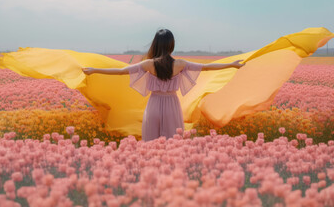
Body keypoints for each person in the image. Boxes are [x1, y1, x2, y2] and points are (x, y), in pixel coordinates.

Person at [82, 29, 245, 141]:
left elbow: (121, 71)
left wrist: (93, 70)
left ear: (155, 44)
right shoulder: (180, 64)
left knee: (152, 141)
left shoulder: (148, 64)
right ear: (171, 45)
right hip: (172, 105)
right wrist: (232, 64)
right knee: (171, 141)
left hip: (154, 104)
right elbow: (208, 67)